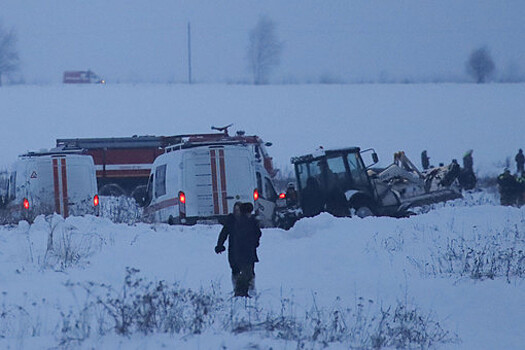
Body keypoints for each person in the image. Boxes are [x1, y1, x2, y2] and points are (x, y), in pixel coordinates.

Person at [215, 202, 261, 297]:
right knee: (235, 269)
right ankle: (238, 288)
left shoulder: (249, 221)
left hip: (247, 250)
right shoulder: (231, 220)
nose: (237, 212)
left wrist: (255, 243)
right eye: (235, 210)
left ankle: (249, 288)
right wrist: (220, 245)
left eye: (239, 209)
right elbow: (224, 233)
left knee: (249, 270)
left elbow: (256, 234)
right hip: (233, 249)